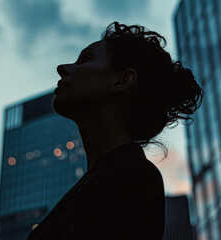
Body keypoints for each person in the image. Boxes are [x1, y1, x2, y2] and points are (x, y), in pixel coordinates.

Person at [26, 21, 203, 240]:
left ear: (123, 80)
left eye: (85, 60)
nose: (62, 68)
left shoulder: (132, 178)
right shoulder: (111, 178)